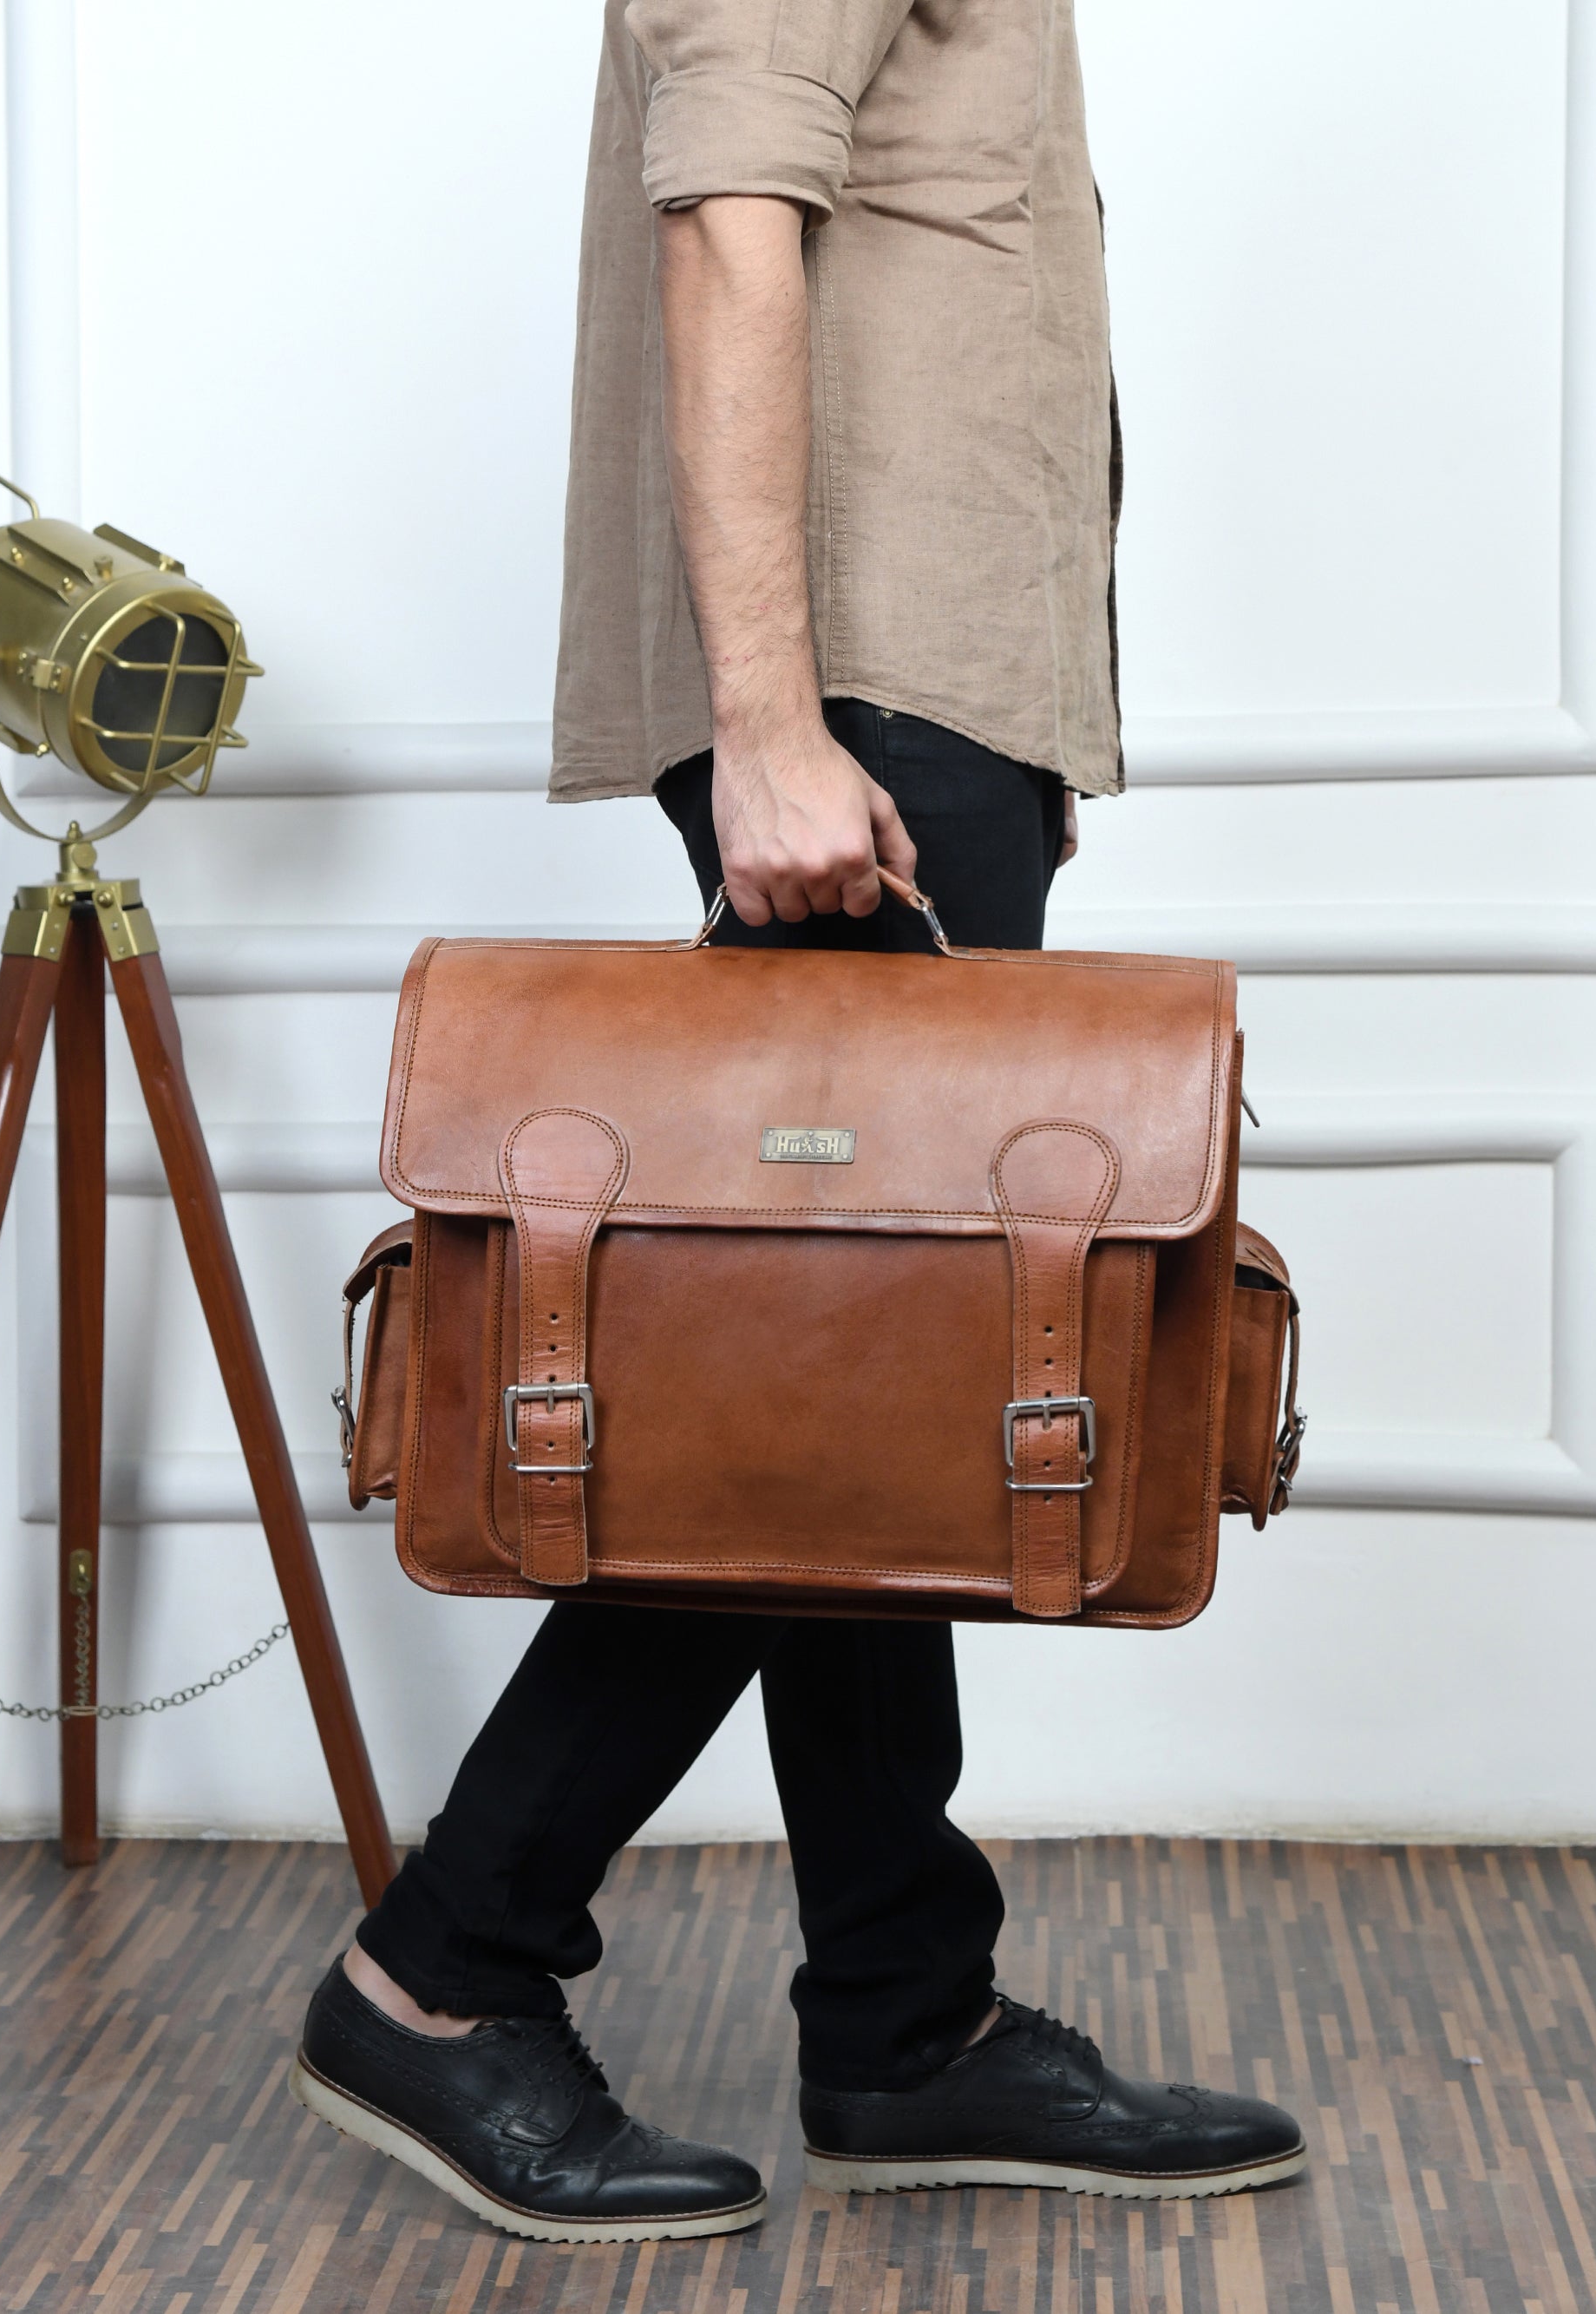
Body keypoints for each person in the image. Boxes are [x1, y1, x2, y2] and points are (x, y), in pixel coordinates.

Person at [291, 0, 1306, 2244]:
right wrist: (768, 724)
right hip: (856, 699)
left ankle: (899, 2005)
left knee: (868, 1375)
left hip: (915, 687)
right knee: (814, 1374)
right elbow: (729, 218)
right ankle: (450, 1962)